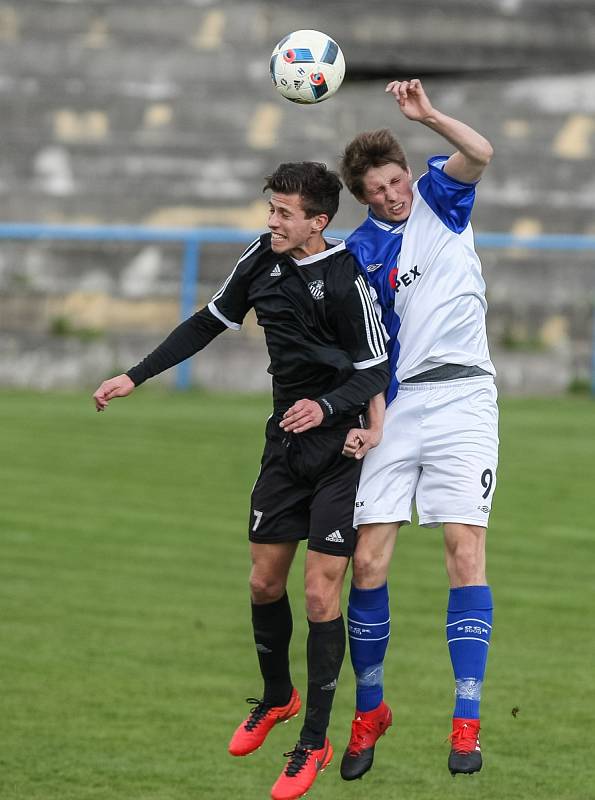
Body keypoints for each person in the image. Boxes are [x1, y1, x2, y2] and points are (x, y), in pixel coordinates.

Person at [92, 161, 389, 800]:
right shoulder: (260, 258)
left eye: (284, 214)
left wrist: (330, 409)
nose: (272, 222)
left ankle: (312, 741)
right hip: (283, 447)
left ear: (318, 222)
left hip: (339, 451)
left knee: (318, 596)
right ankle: (277, 696)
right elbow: (208, 321)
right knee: (262, 581)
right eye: (271, 210)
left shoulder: (346, 277)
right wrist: (135, 375)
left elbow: (375, 367)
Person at [337, 79, 498, 780]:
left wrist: (427, 116)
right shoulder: (358, 253)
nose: (390, 195)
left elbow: (481, 152)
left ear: (408, 174)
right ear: (361, 197)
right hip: (395, 410)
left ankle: (466, 723)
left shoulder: (440, 200)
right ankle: (370, 708)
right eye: (375, 190)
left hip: (464, 397)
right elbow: (359, 344)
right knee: (366, 563)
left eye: (394, 180)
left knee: (464, 553)